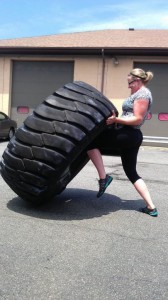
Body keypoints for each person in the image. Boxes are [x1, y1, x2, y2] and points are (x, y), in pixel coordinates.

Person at [87, 68, 158, 217]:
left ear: (137, 81)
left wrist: (116, 120)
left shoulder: (143, 94)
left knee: (90, 142)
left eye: (130, 83)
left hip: (129, 134)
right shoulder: (137, 93)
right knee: (131, 172)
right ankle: (151, 207)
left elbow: (137, 119)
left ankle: (103, 178)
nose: (128, 86)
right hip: (129, 134)